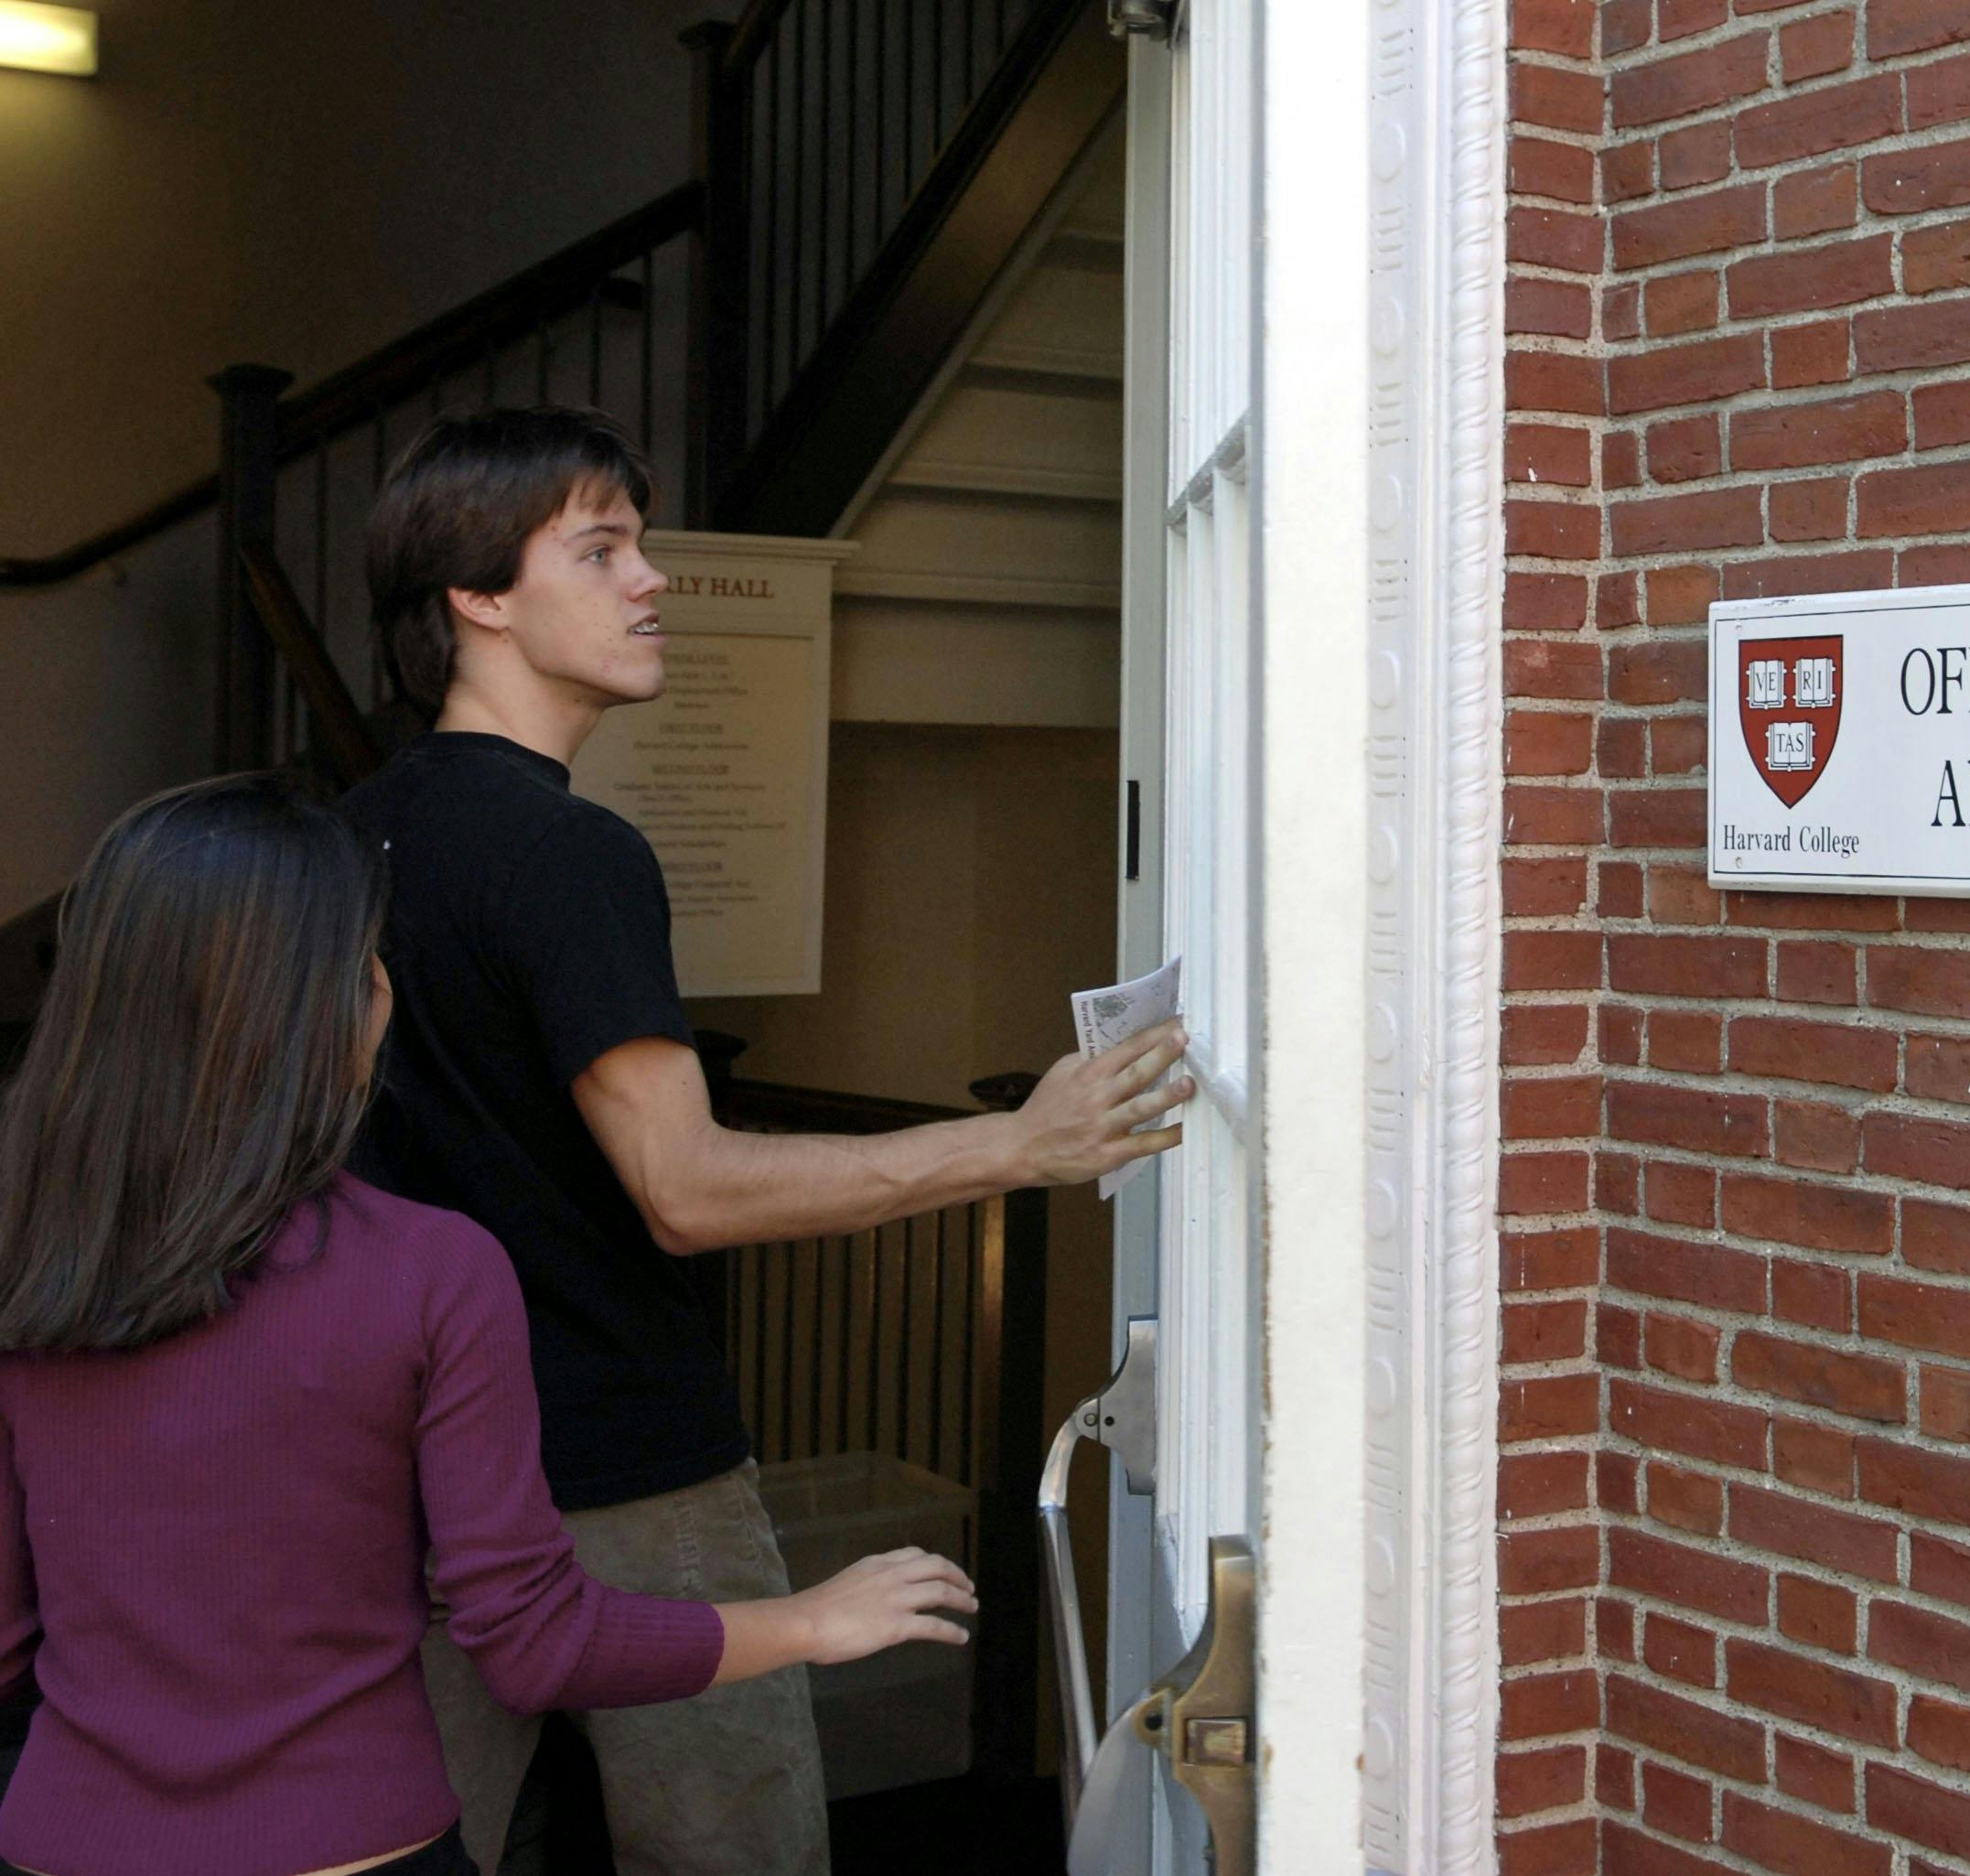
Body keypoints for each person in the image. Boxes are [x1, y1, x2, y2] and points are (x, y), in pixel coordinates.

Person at [341, 406, 1190, 1874]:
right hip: (621, 1465)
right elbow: (687, 1186)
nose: (651, 577)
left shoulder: (349, 832)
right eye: (601, 547)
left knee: (411, 1850)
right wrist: (1021, 1144)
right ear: (478, 595)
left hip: (404, 1458)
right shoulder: (567, 850)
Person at [0, 775, 980, 1876]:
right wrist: (808, 1619)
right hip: (348, 1845)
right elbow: (533, 1640)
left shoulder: (29, 1264)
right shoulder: (429, 1271)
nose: (382, 986)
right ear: (318, 1003)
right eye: (365, 958)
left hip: (63, 1842)